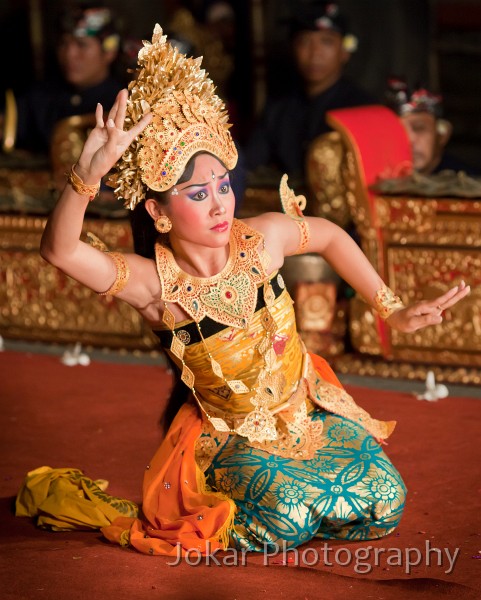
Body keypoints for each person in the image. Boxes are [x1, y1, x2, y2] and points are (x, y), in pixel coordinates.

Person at [20, 24, 470, 557]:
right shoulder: (152, 284)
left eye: (222, 186)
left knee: (385, 501)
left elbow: (326, 234)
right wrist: (86, 173)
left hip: (305, 413)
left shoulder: (261, 239)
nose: (219, 205)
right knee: (288, 517)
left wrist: (390, 309)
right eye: (196, 193)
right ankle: (237, 499)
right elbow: (61, 251)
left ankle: (309, 489)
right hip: (228, 438)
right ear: (159, 212)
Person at [244, 0, 374, 185]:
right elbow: (250, 163)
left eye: (326, 42)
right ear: (293, 49)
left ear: (344, 52)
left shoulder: (362, 109)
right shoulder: (278, 108)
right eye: (304, 42)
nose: (315, 53)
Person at [5, 2, 123, 154]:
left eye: (82, 45)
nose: (69, 54)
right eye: (63, 44)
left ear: (109, 52)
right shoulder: (38, 96)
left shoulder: (122, 103)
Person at [384, 78, 479, 176]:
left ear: (443, 135)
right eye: (397, 130)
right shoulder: (379, 179)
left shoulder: (468, 184)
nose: (409, 139)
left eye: (419, 128)